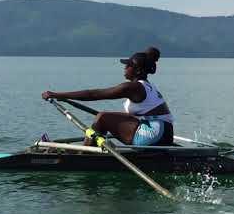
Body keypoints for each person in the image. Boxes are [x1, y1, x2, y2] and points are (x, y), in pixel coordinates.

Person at [41, 52, 174, 147]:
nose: (125, 67)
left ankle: (85, 154)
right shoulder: (147, 85)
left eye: (128, 65)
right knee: (109, 117)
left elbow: (94, 94)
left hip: (154, 134)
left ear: (138, 70)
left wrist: (58, 95)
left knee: (102, 117)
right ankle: (93, 148)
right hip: (165, 134)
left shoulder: (132, 87)